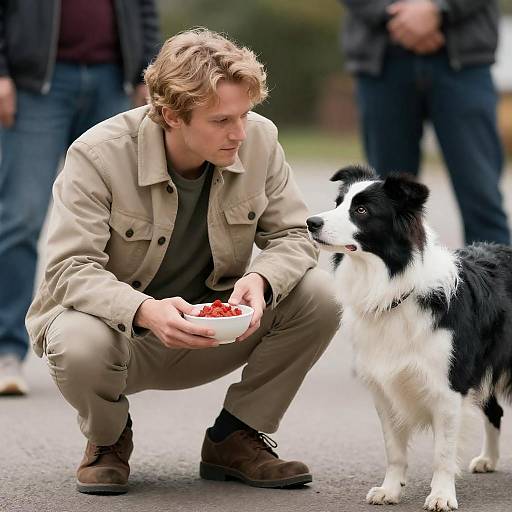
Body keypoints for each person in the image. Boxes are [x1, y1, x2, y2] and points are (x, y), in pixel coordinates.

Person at [25, 28, 341, 495]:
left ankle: (236, 437)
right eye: (220, 120)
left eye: (245, 114)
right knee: (76, 339)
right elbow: (69, 268)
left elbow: (294, 236)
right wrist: (144, 311)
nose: (238, 132)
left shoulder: (259, 140)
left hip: (218, 327)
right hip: (120, 336)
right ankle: (108, 441)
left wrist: (262, 278)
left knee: (319, 295)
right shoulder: (96, 155)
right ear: (170, 115)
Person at [0, 0, 161, 395]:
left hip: (112, 82)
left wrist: (149, 71)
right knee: (22, 216)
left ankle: (107, 350)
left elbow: (144, 9)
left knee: (118, 221)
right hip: (36, 82)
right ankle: (6, 351)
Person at [340, 0, 510, 246]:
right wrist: (393, 14)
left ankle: (497, 284)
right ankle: (392, 286)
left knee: (482, 199)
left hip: (465, 62)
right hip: (382, 63)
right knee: (383, 205)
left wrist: (439, 8)